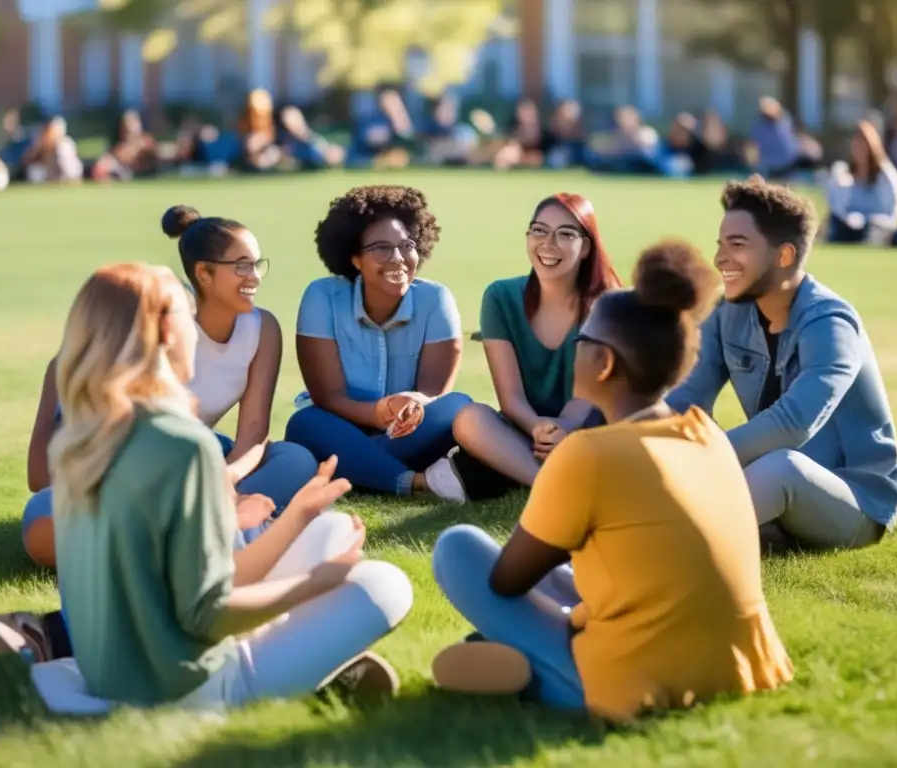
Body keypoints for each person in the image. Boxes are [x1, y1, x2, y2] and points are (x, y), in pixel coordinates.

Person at [0, 263, 411, 713]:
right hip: (193, 687)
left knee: (328, 531)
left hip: (110, 672)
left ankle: (308, 663)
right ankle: (299, 675)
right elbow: (208, 613)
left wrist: (296, 516)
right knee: (383, 584)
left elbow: (180, 586)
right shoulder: (182, 446)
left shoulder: (85, 438)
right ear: (168, 333)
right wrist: (315, 583)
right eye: (187, 318)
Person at [431, 242, 794, 724]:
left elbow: (507, 579)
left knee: (458, 549)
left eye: (582, 341)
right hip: (743, 666)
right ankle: (520, 655)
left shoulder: (589, 454)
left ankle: (541, 673)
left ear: (603, 365)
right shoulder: (705, 432)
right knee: (579, 571)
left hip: (635, 678)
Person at [19, 206, 318, 567]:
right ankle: (209, 530)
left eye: (256, 264)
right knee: (42, 515)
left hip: (191, 461)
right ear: (204, 273)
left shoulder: (262, 329)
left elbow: (253, 433)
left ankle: (184, 530)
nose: (253, 276)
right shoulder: (153, 330)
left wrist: (228, 476)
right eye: (241, 265)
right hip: (131, 472)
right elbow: (44, 475)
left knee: (295, 459)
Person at [667, 177, 897, 551]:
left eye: (738, 245)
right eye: (720, 244)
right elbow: (686, 397)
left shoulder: (830, 322)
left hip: (855, 501)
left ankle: (666, 541)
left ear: (784, 256)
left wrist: (706, 460)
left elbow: (793, 424)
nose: (720, 259)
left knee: (781, 468)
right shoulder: (728, 312)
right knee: (672, 442)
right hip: (766, 478)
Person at [286, 185, 471, 500]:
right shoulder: (321, 297)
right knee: (306, 421)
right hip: (339, 427)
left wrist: (411, 404)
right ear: (355, 258)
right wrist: (378, 412)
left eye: (405, 245)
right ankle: (417, 482)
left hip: (406, 433)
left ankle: (362, 468)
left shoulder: (436, 299)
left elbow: (433, 393)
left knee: (458, 405)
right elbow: (327, 396)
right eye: (382, 248)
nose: (398, 258)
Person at [444, 193, 621, 502]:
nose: (548, 244)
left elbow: (586, 396)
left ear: (586, 247)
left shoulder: (607, 302)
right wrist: (539, 428)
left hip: (588, 427)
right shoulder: (500, 296)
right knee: (469, 419)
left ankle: (523, 472)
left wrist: (564, 428)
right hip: (528, 429)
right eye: (539, 230)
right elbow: (510, 397)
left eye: (565, 234)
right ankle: (560, 488)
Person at [825, 121, 897, 248]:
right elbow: (837, 207)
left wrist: (871, 219)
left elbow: (893, 210)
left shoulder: (885, 176)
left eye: (863, 144)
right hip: (849, 225)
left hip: (877, 225)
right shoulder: (844, 175)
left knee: (876, 232)